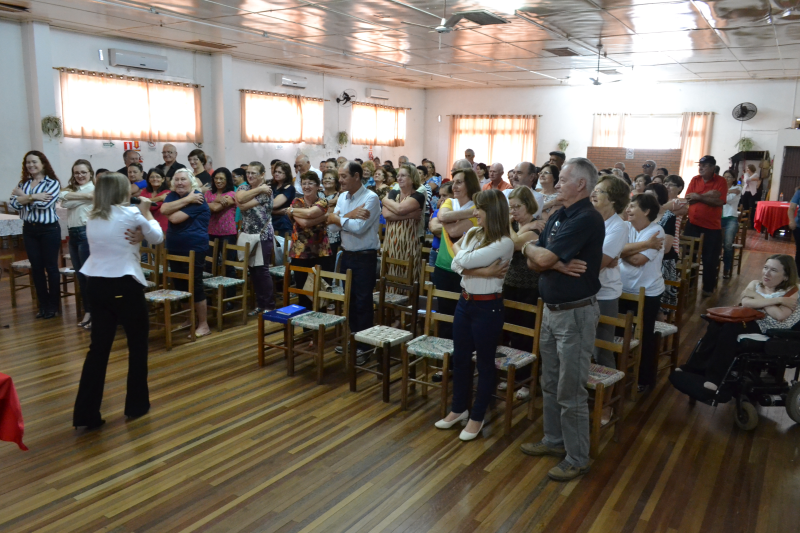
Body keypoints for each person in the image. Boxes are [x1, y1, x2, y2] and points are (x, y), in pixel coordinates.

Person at [519, 157, 604, 482]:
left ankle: (578, 456)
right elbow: (535, 259)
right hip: (552, 311)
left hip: (575, 315)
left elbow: (539, 254)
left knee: (571, 390)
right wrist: (549, 261)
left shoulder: (586, 218)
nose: (556, 184)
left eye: (564, 179)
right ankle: (554, 441)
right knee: (550, 383)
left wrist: (541, 256)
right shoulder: (559, 217)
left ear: (581, 184)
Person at [73, 172, 164, 429]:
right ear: (121, 192)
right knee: (137, 345)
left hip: (96, 284)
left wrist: (138, 228)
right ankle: (136, 405)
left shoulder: (92, 216)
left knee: (98, 350)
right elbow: (158, 237)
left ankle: (85, 415)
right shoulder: (131, 214)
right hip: (124, 283)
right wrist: (146, 212)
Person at [435, 189, 514, 441]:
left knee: (484, 363)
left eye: (479, 208)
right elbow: (456, 263)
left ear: (491, 211)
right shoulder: (472, 232)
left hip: (487, 308)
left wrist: (467, 263)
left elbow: (463, 261)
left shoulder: (505, 242)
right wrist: (484, 272)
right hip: (465, 303)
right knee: (460, 359)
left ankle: (477, 416)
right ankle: (459, 409)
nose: (474, 213)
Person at [678, 254, 800, 389]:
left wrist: (758, 298)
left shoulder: (792, 291)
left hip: (769, 328)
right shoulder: (755, 284)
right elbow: (746, 302)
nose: (767, 273)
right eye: (766, 268)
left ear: (786, 276)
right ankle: (695, 367)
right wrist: (777, 300)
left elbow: (779, 315)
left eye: (774, 270)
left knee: (730, 329)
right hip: (750, 318)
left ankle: (715, 378)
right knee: (715, 324)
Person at [326, 162, 381, 363]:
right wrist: (345, 218)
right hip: (347, 255)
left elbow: (359, 228)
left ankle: (364, 347)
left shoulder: (371, 198)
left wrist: (338, 219)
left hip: (365, 257)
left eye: (343, 176)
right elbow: (331, 229)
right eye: (339, 176)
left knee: (363, 302)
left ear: (356, 176)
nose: (339, 180)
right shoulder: (342, 197)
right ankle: (354, 339)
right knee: (349, 301)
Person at [619, 193, 665, 393]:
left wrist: (620, 252)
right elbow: (611, 248)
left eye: (633, 206)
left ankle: (644, 379)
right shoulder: (626, 227)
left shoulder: (656, 231)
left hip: (647, 293)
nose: (628, 210)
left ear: (646, 211)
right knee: (618, 334)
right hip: (622, 289)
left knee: (644, 336)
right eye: (628, 206)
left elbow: (638, 261)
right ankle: (619, 375)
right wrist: (625, 250)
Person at [9, 150, 62, 319]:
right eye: (28, 162)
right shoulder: (24, 183)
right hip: (30, 230)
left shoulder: (52, 183)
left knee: (51, 268)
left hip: (49, 230)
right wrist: (34, 197)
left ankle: (53, 305)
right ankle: (43, 305)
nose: (31, 165)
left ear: (43, 163)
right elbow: (13, 205)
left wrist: (24, 197)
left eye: (34, 162)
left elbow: (45, 205)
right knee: (36, 269)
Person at [160, 169, 212, 337]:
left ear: (191, 182)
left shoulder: (198, 198)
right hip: (175, 247)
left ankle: (203, 325)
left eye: (183, 179)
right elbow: (163, 210)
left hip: (194, 248)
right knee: (180, 285)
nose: (179, 183)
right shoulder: (177, 196)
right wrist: (186, 200)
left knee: (195, 285)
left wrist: (181, 204)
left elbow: (173, 218)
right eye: (177, 180)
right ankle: (190, 319)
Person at [502, 186, 541, 400]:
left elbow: (514, 243)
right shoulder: (518, 225)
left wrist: (507, 223)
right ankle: (509, 375)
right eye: (511, 207)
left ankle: (525, 381)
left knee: (525, 334)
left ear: (529, 205)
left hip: (529, 287)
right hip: (509, 283)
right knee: (507, 330)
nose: (514, 211)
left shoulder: (537, 227)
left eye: (518, 206)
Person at [433, 169, 482, 340]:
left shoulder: (477, 207)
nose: (454, 186)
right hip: (442, 267)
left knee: (461, 317)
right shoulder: (451, 202)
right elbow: (441, 214)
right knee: (443, 314)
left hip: (463, 269)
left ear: (470, 184)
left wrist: (444, 221)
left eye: (459, 182)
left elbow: (453, 230)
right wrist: (469, 213)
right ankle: (444, 358)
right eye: (454, 182)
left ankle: (459, 359)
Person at [591, 176, 630, 370]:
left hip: (605, 293)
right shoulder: (589, 218)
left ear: (613, 199)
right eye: (595, 189)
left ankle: (609, 393)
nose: (594, 193)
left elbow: (598, 263)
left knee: (602, 349)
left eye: (600, 191)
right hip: (584, 290)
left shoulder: (618, 226)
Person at [286, 171, 331, 309]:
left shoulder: (322, 202)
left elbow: (309, 216)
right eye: (304, 183)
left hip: (321, 253)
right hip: (300, 253)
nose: (306, 186)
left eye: (310, 183)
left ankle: (321, 327)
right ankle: (307, 329)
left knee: (320, 292)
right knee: (303, 293)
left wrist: (291, 211)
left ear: (318, 186)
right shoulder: (297, 202)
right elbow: (305, 223)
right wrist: (323, 217)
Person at [60, 159, 96, 329]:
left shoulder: (94, 189)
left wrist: (71, 197)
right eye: (76, 173)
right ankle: (88, 310)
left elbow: (66, 201)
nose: (80, 175)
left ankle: (95, 313)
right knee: (81, 276)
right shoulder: (78, 190)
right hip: (72, 235)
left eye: (83, 172)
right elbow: (62, 199)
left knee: (90, 276)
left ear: (90, 173)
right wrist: (84, 197)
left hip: (86, 233)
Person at [684, 155, 727, 297]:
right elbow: (688, 198)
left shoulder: (721, 181)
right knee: (689, 256)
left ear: (713, 167)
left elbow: (719, 202)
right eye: (700, 165)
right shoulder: (695, 179)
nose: (701, 168)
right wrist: (707, 196)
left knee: (710, 259)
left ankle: (708, 289)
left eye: (705, 165)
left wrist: (699, 197)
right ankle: (689, 286)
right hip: (692, 224)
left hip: (711, 227)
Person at [236, 161, 275, 315]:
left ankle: (269, 305)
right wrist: (258, 189)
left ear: (262, 175)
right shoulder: (247, 187)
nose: (250, 176)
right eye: (248, 173)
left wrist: (253, 193)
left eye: (254, 173)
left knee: (262, 270)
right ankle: (260, 304)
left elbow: (243, 205)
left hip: (263, 235)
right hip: (248, 234)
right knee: (252, 269)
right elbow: (239, 199)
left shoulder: (268, 191)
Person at [382, 164, 426, 283]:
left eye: (403, 176)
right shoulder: (393, 194)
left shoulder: (418, 196)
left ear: (412, 179)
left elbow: (399, 209)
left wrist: (385, 200)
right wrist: (410, 215)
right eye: (398, 175)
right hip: (390, 244)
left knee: (408, 279)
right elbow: (386, 214)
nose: (399, 178)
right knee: (389, 279)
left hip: (408, 245)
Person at [645, 182, 680, 319]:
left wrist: (643, 247)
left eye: (651, 195)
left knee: (658, 309)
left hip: (663, 262)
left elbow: (666, 248)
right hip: (644, 257)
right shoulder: (642, 215)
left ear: (660, 197)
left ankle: (658, 325)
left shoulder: (669, 216)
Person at [205, 167, 238, 286]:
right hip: (210, 232)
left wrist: (208, 203)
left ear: (227, 180)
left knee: (228, 265)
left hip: (228, 234)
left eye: (221, 179)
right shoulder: (208, 193)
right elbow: (201, 206)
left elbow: (215, 208)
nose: (218, 181)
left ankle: (230, 297)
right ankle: (209, 295)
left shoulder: (232, 194)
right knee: (208, 265)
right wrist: (217, 199)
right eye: (216, 178)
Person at [721, 171, 742, 279]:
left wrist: (724, 192)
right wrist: (727, 191)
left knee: (728, 244)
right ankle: (714, 267)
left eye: (729, 177)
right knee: (715, 244)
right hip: (718, 219)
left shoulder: (738, 188)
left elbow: (726, 200)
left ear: (734, 179)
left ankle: (727, 268)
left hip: (731, 219)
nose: (726, 179)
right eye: (724, 177)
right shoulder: (720, 187)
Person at [428, 182, 453, 267]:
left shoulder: (459, 212)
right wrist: (453, 229)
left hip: (449, 255)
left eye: (444, 196)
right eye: (440, 196)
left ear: (454, 195)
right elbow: (434, 229)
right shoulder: (437, 211)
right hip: (435, 252)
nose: (441, 199)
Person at [270, 161, 296, 241]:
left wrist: (265, 208)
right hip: (270, 221)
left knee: (281, 249)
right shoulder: (271, 186)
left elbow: (273, 204)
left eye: (280, 172)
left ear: (286, 174)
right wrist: (276, 212)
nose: (276, 174)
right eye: (275, 172)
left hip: (282, 223)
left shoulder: (289, 188)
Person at [140, 168, 170, 233]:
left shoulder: (167, 192)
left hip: (162, 226)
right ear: (148, 180)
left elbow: (150, 206)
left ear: (163, 179)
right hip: (146, 223)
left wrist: (147, 203)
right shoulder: (145, 191)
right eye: (152, 177)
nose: (155, 179)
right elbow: (140, 204)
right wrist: (159, 198)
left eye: (158, 177)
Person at [322, 169, 341, 260]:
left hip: (332, 233)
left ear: (336, 181)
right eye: (325, 178)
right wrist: (331, 202)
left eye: (330, 178)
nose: (327, 180)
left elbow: (330, 213)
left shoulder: (340, 196)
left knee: (329, 263)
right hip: (318, 232)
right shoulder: (317, 194)